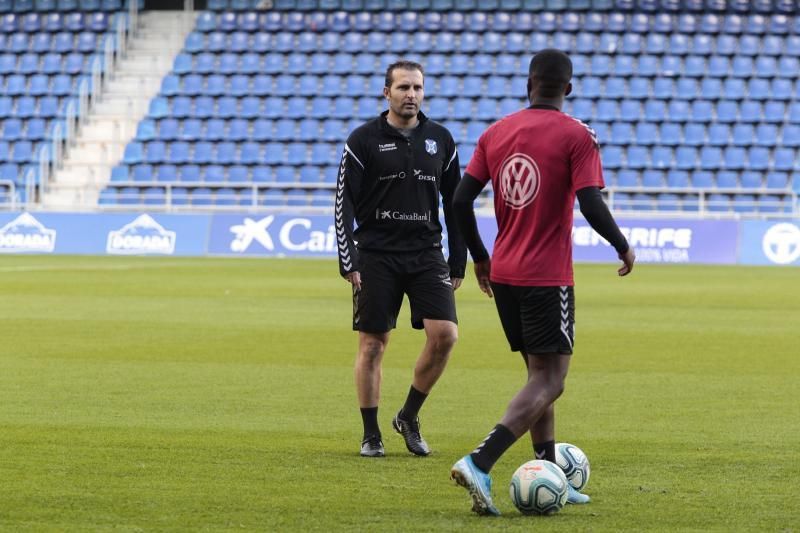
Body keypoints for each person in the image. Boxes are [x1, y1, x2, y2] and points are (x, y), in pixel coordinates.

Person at [449, 49, 636, 515]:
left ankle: (549, 470)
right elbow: (591, 203)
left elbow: (457, 200)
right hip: (546, 275)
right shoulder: (577, 135)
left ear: (527, 83)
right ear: (568, 89)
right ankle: (480, 460)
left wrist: (480, 257)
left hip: (505, 273)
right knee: (551, 380)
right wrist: (622, 245)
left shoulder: (496, 132)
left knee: (536, 377)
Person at [335, 60, 467, 458]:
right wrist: (349, 257)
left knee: (445, 335)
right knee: (373, 345)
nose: (411, 95)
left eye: (418, 88)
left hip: (427, 253)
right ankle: (371, 434)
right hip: (375, 255)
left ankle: (408, 416)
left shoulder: (441, 140)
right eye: (404, 87)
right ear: (386, 92)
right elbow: (344, 203)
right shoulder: (362, 140)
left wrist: (457, 258)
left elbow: (456, 202)